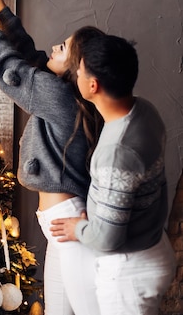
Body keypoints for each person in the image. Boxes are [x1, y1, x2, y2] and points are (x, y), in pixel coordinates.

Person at [0, 0, 103, 315]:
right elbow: (28, 55)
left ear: (77, 69)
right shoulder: (67, 91)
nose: (55, 46)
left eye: (64, 48)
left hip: (67, 222)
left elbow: (11, 69)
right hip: (59, 221)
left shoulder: (61, 97)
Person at [50, 35, 176, 315]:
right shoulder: (144, 109)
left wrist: (79, 229)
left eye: (79, 71)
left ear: (92, 86)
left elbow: (108, 239)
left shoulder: (117, 153)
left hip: (130, 272)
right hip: (153, 246)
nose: (75, 74)